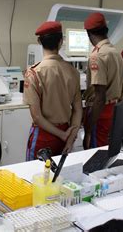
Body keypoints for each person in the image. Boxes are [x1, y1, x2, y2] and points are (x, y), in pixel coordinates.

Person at [23, 21, 82, 160]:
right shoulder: (73, 72)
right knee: (59, 179)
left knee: (35, 178)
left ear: (39, 41)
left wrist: (63, 135)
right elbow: (78, 109)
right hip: (65, 133)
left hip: (44, 135)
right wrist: (70, 136)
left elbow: (37, 117)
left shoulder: (34, 73)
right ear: (61, 42)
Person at [83, 12, 123, 149]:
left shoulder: (98, 55)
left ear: (89, 34)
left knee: (96, 152)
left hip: (100, 112)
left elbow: (99, 96)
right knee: (107, 149)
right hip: (113, 109)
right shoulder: (115, 52)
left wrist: (88, 127)